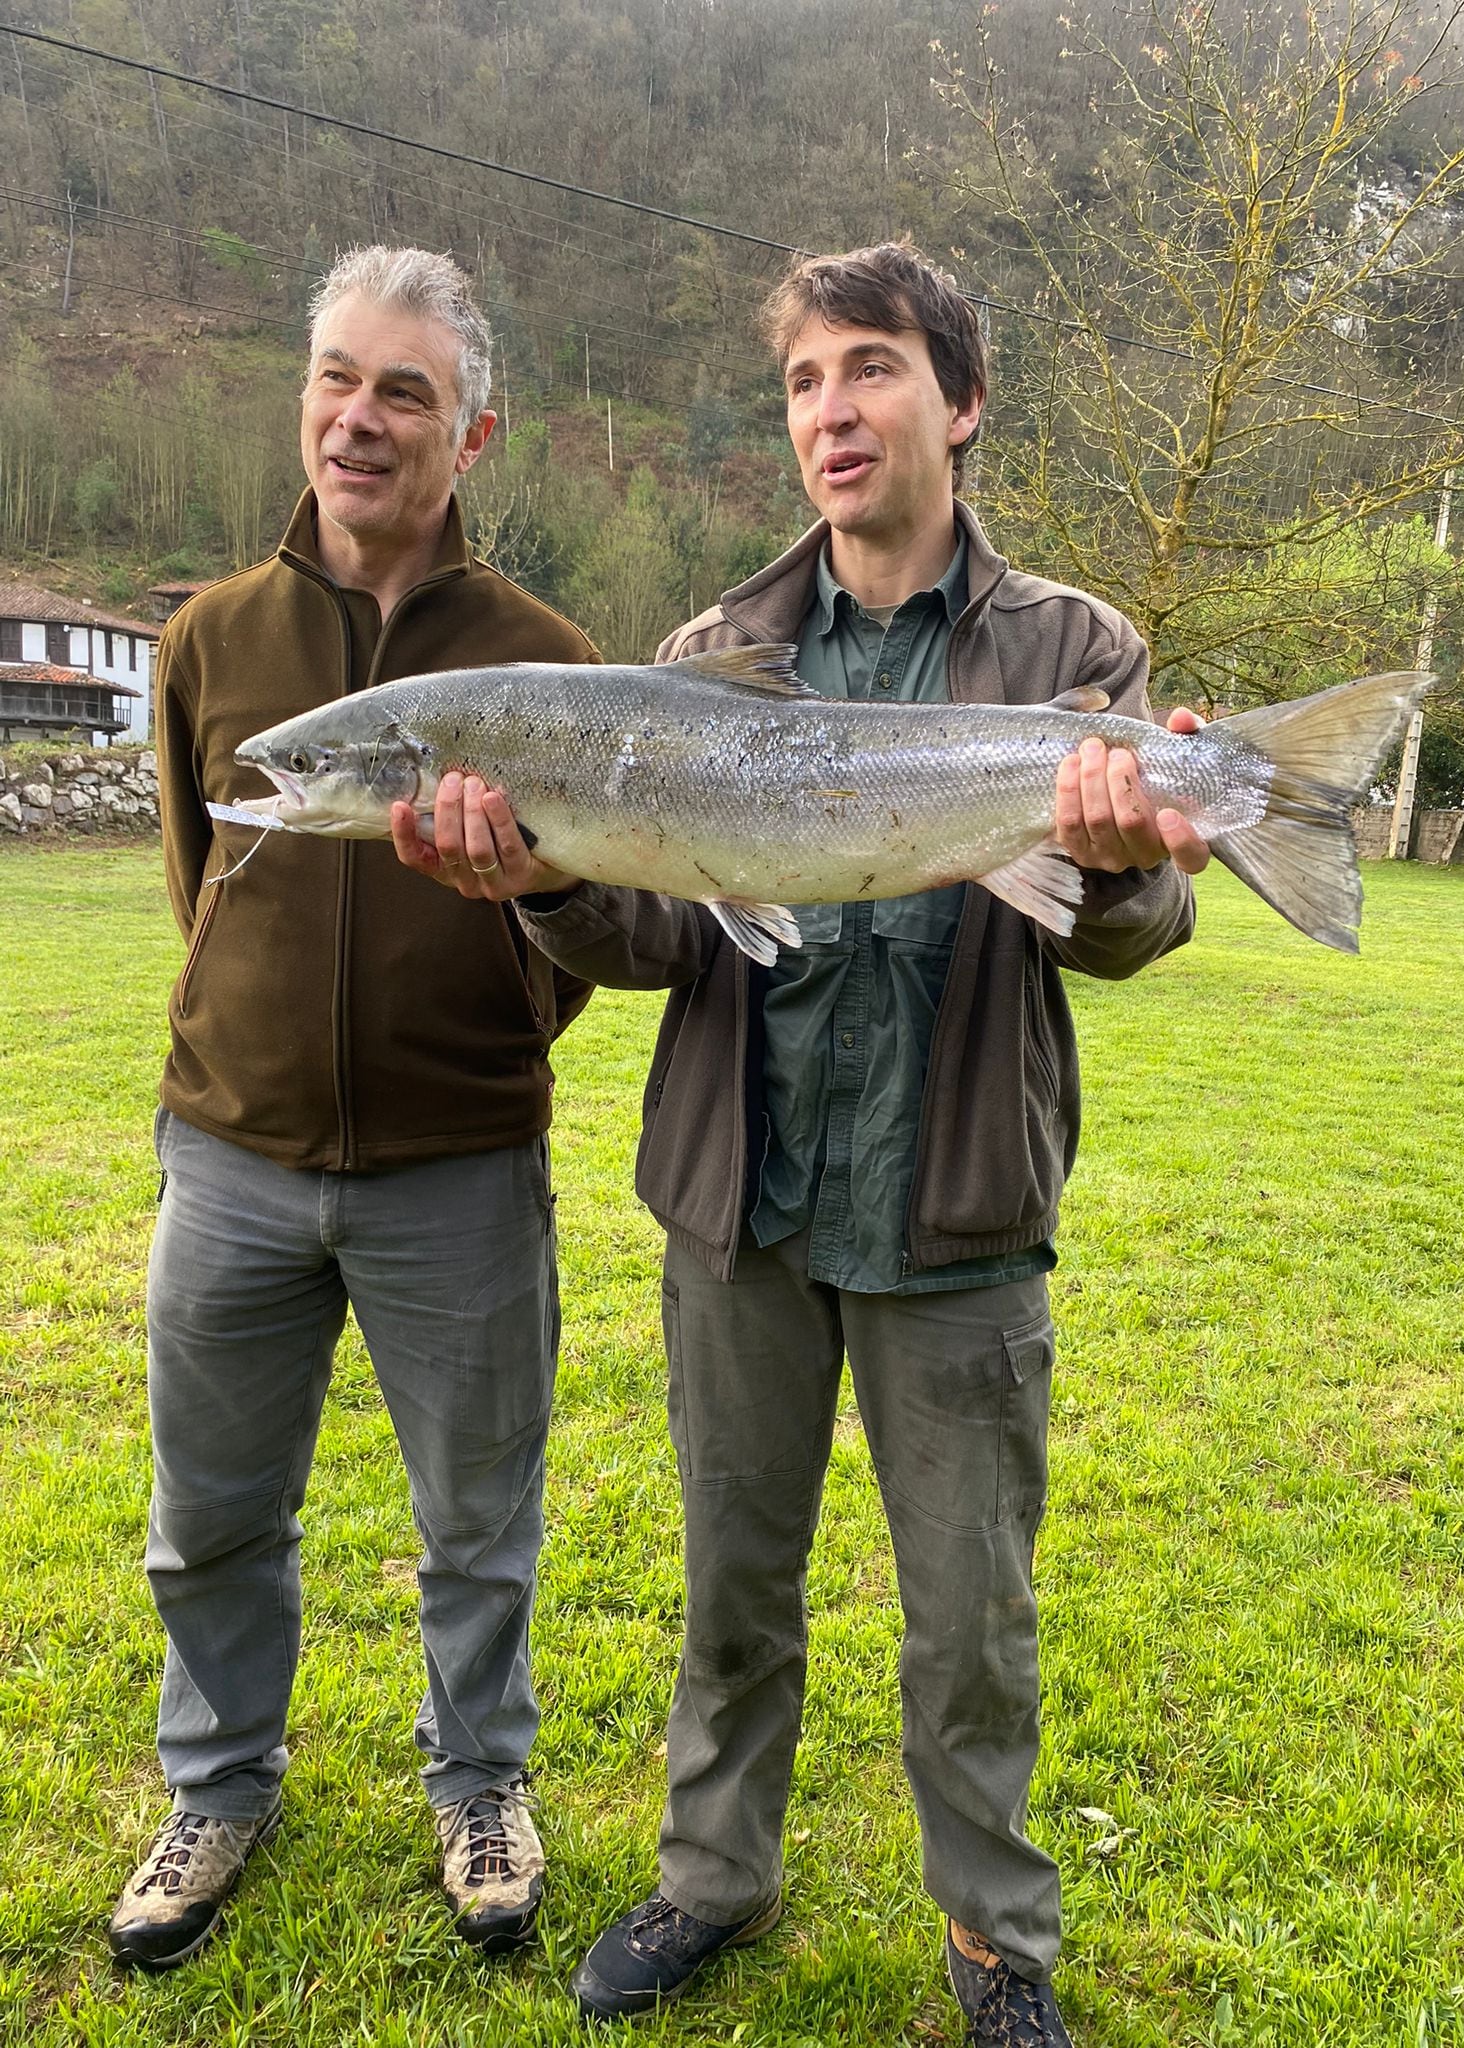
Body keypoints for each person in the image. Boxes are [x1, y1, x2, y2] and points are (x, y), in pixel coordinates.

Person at [394, 241, 1209, 2047]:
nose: (830, 413)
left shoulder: (1075, 653)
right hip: (739, 1210)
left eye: (870, 369)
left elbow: (1135, 941)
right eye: (802, 383)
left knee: (971, 1624)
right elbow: (667, 935)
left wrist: (1129, 864)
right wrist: (538, 886)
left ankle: (999, 1948)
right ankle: (711, 1880)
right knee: (731, 1589)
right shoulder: (709, 657)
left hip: (961, 1210)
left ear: (960, 400)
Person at [109, 246, 600, 1973]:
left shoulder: (548, 663)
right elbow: (204, 876)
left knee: (479, 1524)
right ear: (302, 393)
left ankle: (480, 1780)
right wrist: (245, 1055)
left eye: (405, 389)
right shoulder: (210, 641)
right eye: (337, 377)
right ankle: (221, 1784)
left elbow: (596, 922)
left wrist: (520, 902)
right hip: (230, 1159)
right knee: (209, 1516)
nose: (360, 418)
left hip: (459, 1167)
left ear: (475, 431)